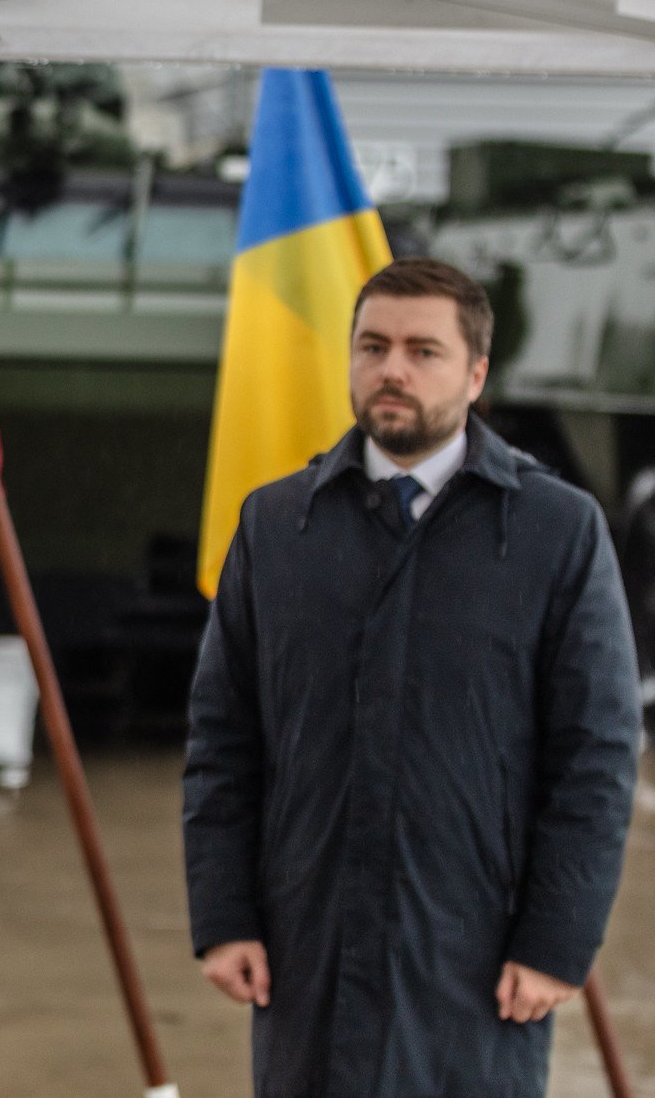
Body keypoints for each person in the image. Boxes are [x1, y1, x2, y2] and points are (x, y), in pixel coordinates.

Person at [183, 257, 640, 1098]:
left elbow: (597, 756)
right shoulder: (278, 525)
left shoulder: (556, 531)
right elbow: (224, 740)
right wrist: (223, 916)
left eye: (423, 351)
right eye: (373, 346)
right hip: (306, 952)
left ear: (476, 374)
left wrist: (557, 939)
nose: (392, 369)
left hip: (474, 959)